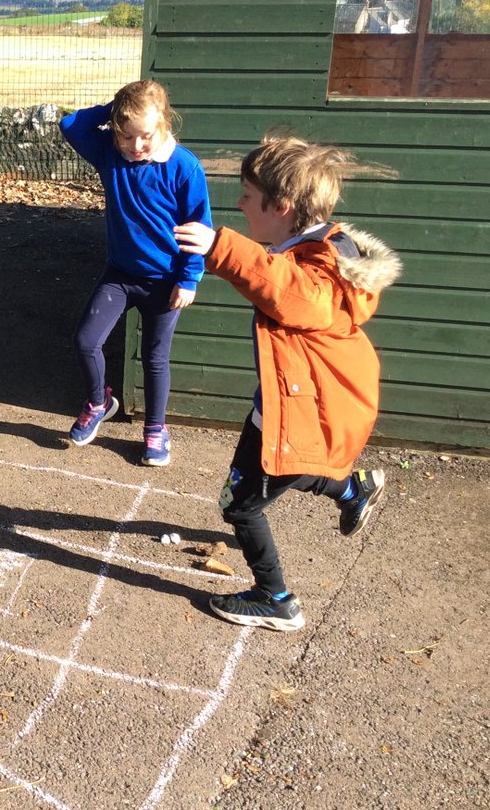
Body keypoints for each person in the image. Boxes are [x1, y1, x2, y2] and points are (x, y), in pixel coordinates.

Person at [174, 134, 402, 631]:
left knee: (239, 506)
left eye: (248, 196)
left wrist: (220, 246)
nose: (239, 205)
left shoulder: (318, 268)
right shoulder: (320, 244)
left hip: (300, 410)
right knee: (287, 467)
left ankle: (274, 598)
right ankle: (352, 489)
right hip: (291, 400)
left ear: (281, 207)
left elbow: (295, 293)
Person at [59, 79, 212, 465]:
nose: (136, 145)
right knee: (85, 341)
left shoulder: (184, 166)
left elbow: (199, 226)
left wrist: (189, 278)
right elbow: (70, 124)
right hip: (120, 275)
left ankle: (156, 430)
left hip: (166, 281)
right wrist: (115, 109)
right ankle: (99, 402)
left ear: (163, 122)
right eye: (126, 135)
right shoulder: (109, 153)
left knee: (155, 358)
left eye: (145, 135)